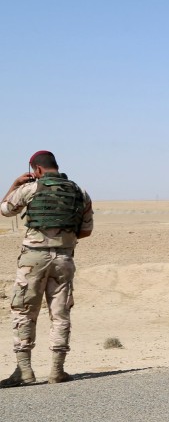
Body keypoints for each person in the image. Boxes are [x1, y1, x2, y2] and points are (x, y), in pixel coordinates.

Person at [0, 150, 92, 386]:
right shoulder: (79, 192)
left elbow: (5, 210)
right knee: (60, 314)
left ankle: (24, 371)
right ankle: (56, 371)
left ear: (36, 170)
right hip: (64, 259)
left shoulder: (30, 189)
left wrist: (15, 183)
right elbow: (86, 230)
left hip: (33, 259)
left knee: (23, 312)